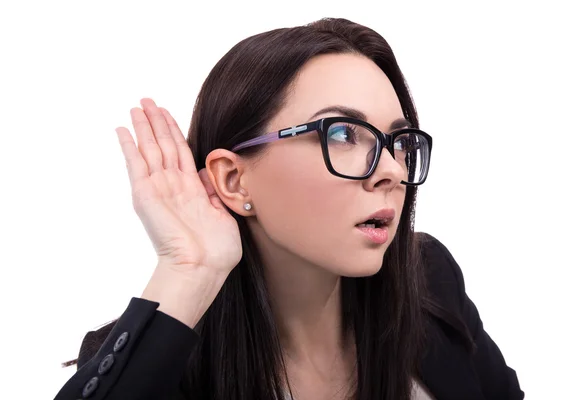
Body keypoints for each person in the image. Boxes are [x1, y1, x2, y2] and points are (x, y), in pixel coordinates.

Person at [54, 17, 523, 400]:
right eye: (342, 134)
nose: (393, 172)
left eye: (399, 143)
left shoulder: (430, 280)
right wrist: (187, 271)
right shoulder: (150, 359)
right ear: (234, 180)